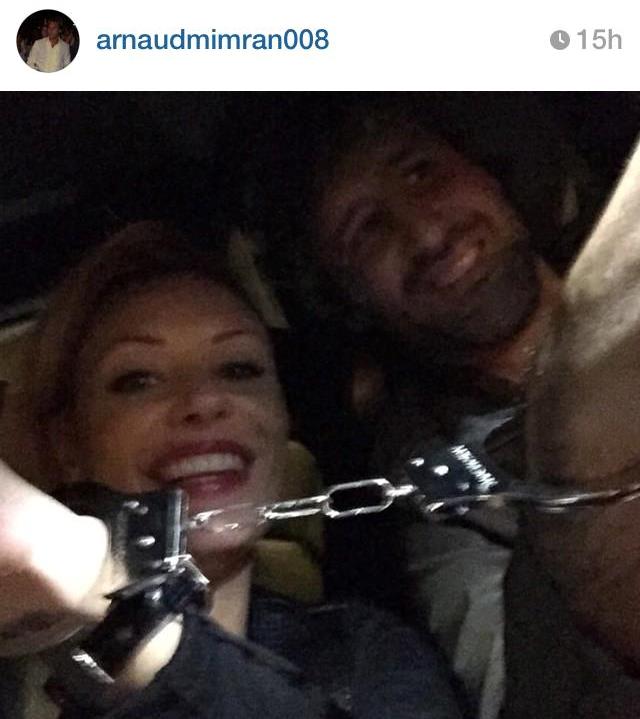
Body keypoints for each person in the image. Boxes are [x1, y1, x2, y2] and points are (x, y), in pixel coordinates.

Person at [0, 221, 465, 719]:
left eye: (239, 369)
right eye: (138, 379)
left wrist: (102, 600)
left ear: (283, 417)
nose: (204, 400)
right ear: (69, 442)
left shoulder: (362, 657)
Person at [238, 94, 598, 717]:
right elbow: (529, 692)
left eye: (421, 172)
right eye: (366, 229)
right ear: (347, 298)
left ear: (488, 169)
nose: (428, 233)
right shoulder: (440, 495)